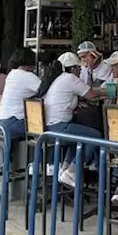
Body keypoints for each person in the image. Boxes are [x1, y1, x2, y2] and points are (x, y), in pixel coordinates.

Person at [38, 53, 103, 187]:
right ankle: (72, 171)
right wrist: (108, 91)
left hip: (47, 129)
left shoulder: (55, 79)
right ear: (72, 68)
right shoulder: (70, 78)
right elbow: (91, 95)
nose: (80, 70)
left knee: (78, 135)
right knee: (95, 135)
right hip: (59, 129)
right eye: (79, 68)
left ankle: (66, 169)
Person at [0, 49, 40, 143]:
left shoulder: (12, 74)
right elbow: (45, 90)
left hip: (3, 121)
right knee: (49, 129)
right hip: (16, 122)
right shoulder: (27, 76)